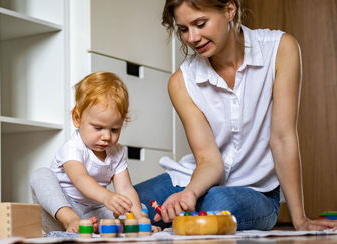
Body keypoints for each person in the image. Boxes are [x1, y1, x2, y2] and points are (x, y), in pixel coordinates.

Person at [135, 0, 337, 231]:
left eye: (200, 24)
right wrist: (188, 193)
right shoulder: (181, 82)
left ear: (230, 10)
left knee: (217, 204)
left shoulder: (280, 49)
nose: (191, 38)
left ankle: (180, 222)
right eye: (183, 29)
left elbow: (282, 138)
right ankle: (179, 221)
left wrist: (299, 219)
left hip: (255, 191)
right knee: (129, 205)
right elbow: (209, 161)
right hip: (197, 177)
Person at [30, 72, 158, 233]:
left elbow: (125, 188)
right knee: (40, 174)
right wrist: (107, 197)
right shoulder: (73, 147)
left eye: (114, 129)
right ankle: (72, 221)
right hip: (60, 210)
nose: (106, 137)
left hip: (94, 211)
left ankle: (100, 227)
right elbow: (80, 179)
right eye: (98, 128)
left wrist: (139, 220)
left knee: (135, 207)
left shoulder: (117, 152)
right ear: (77, 118)